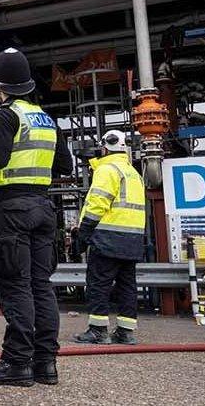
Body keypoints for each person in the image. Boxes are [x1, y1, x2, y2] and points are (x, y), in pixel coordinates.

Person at [0, 48, 73, 387]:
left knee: (15, 287)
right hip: (43, 208)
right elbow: (65, 166)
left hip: (12, 208)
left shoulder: (4, 116)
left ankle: (17, 364)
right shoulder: (46, 119)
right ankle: (46, 364)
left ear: (0, 87)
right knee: (41, 286)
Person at [73, 130, 146, 345]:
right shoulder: (133, 173)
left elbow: (97, 204)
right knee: (127, 285)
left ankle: (97, 330)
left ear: (104, 148)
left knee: (98, 283)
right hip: (132, 239)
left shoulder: (106, 170)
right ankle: (125, 331)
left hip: (107, 237)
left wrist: (84, 231)